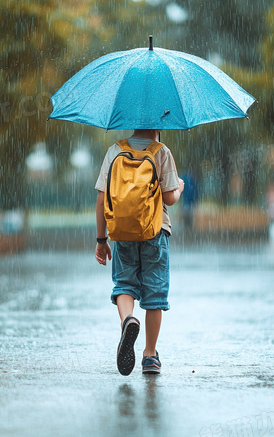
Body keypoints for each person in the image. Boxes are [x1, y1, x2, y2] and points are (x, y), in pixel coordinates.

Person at [94, 129, 184, 376]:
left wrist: (101, 239)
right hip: (155, 231)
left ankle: (127, 321)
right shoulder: (161, 152)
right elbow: (169, 197)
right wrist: (180, 188)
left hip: (122, 232)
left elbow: (102, 200)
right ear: (159, 124)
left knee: (124, 284)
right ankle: (150, 355)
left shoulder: (115, 151)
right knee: (154, 293)